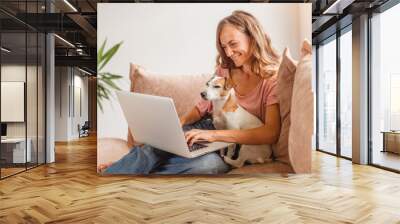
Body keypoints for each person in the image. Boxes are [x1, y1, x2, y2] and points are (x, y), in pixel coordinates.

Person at [99, 10, 281, 175]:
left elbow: (270, 133)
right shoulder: (224, 69)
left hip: (235, 145)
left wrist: (214, 136)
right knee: (158, 145)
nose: (229, 52)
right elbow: (203, 108)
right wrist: (179, 123)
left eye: (233, 44)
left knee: (207, 167)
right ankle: (120, 171)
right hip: (209, 127)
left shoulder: (271, 80)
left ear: (252, 37)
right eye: (224, 46)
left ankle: (132, 170)